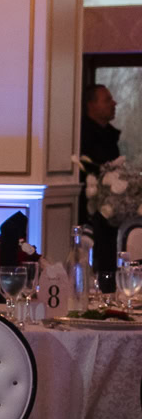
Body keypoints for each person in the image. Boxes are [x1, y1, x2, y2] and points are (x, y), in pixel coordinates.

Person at [83, 83, 123, 291]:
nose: (114, 103)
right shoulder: (82, 135)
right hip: (87, 211)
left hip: (109, 212)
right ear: (91, 104)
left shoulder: (109, 136)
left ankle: (108, 293)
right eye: (107, 100)